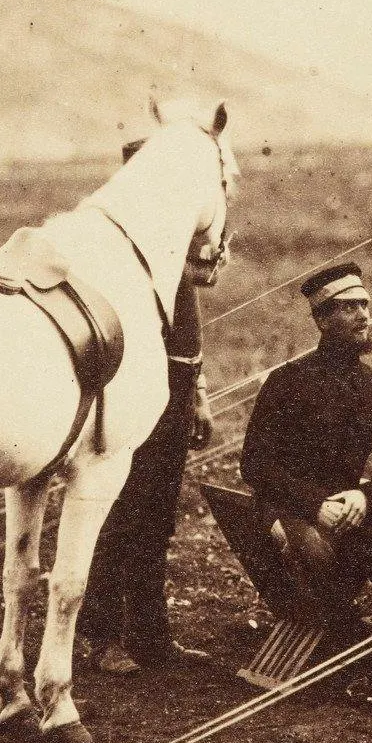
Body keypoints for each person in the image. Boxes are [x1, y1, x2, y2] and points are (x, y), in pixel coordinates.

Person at [239, 261, 372, 705]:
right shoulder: (287, 383)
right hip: (292, 514)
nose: (364, 315)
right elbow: (254, 464)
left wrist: (365, 494)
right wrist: (312, 504)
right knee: (317, 557)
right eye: (348, 307)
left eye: (365, 304)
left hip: (347, 515)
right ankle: (354, 652)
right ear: (322, 320)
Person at [78, 140, 216, 673]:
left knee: (157, 516)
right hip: (138, 394)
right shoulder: (123, 246)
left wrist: (198, 394)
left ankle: (151, 632)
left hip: (178, 390)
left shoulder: (174, 235)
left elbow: (191, 316)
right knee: (120, 510)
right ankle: (103, 634)